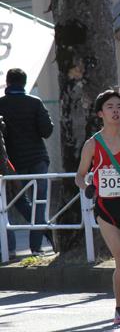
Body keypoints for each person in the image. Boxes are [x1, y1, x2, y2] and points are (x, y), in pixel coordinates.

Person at [75, 89, 120, 325]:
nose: (115, 111)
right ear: (100, 113)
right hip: (106, 209)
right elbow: (80, 175)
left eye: (119, 106)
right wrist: (87, 186)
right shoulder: (92, 144)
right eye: (110, 107)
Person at [0, 68, 54, 257]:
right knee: (40, 201)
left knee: (17, 200)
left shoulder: (1, 104)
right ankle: (37, 244)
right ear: (24, 82)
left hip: (14, 163)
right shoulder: (35, 102)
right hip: (39, 159)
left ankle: (42, 232)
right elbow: (47, 130)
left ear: (7, 82)